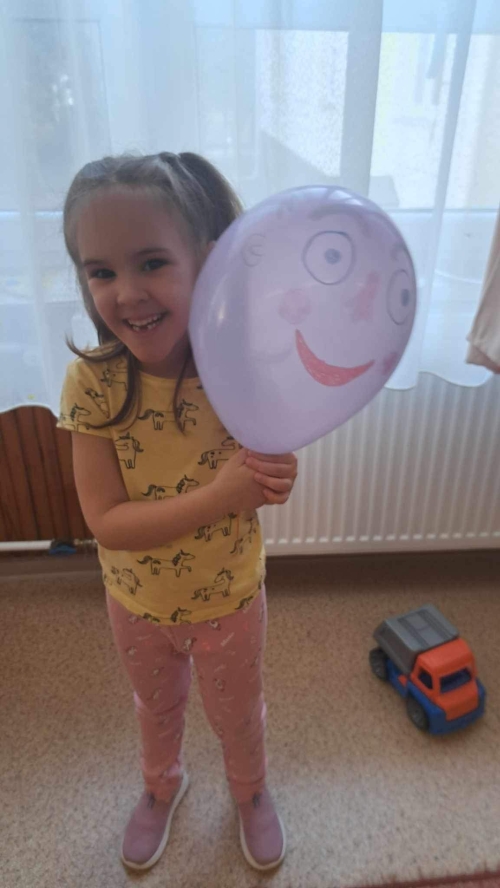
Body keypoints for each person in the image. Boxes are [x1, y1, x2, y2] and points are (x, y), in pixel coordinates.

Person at [57, 151, 298, 873]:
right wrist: (222, 495)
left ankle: (250, 792)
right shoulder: (91, 384)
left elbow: (267, 469)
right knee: (155, 709)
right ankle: (162, 785)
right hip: (136, 601)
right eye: (101, 271)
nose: (127, 292)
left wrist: (276, 473)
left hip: (229, 599)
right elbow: (106, 522)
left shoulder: (239, 367)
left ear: (208, 262)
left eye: (153, 262)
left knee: (237, 715)